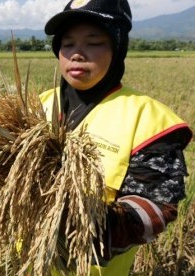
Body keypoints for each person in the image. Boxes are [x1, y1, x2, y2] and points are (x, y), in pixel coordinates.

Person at [39, 0, 192, 275]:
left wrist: (71, 224)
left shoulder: (148, 119)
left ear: (118, 46)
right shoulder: (35, 108)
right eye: (68, 43)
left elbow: (155, 209)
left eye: (94, 42)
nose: (77, 54)